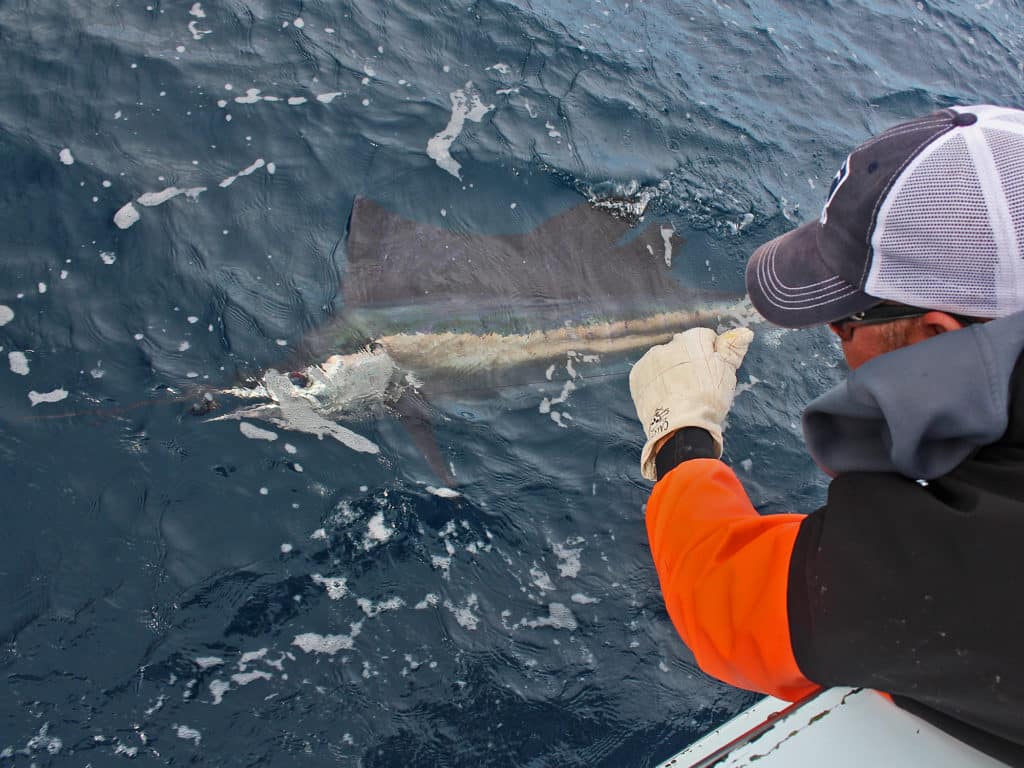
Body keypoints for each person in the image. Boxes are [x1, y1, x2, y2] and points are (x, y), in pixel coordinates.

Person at [629, 105, 1024, 755]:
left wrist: (683, 434)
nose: (836, 340)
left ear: (935, 335)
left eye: (845, 322)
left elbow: (728, 605)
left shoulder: (960, 567)